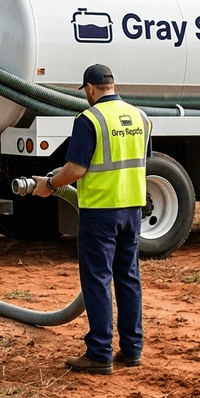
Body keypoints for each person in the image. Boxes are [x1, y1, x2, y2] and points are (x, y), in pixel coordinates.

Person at [30, 63, 151, 375]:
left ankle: (99, 353)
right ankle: (132, 348)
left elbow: (76, 169)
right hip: (132, 208)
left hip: (100, 210)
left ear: (90, 89)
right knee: (128, 277)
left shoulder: (90, 119)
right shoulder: (140, 116)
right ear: (113, 84)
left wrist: (49, 185)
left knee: (97, 279)